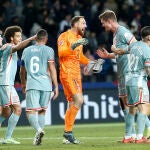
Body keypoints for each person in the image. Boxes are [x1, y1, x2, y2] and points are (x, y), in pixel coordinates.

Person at [96, 10, 150, 140]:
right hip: (122, 73)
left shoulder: (123, 32)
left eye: (104, 23)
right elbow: (123, 51)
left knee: (134, 105)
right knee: (126, 104)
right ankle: (130, 135)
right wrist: (109, 55)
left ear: (110, 21)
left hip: (129, 72)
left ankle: (141, 132)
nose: (103, 26)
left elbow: (137, 47)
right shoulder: (115, 35)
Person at [57, 16, 104, 144]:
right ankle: (68, 133)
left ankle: (67, 135)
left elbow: (80, 57)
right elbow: (61, 53)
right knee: (79, 100)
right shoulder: (64, 36)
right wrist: (74, 45)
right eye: (83, 23)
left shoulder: (79, 38)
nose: (86, 26)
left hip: (77, 74)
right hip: (67, 72)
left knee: (72, 103)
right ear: (75, 24)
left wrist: (92, 63)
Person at [20, 29, 59, 146]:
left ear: (35, 38)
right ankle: (38, 138)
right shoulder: (49, 50)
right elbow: (52, 68)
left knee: (30, 111)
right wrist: (56, 86)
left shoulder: (26, 51)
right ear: (46, 39)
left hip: (32, 84)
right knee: (42, 111)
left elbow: (22, 70)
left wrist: (23, 84)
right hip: (46, 85)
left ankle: (38, 130)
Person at [0, 25, 36, 144]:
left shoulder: (5, 47)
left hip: (5, 84)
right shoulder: (9, 46)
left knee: (6, 112)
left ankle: (7, 138)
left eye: (21, 36)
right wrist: (31, 39)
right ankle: (8, 137)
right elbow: (18, 46)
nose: (20, 38)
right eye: (18, 36)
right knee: (17, 109)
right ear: (11, 38)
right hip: (5, 84)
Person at [121, 26, 150, 143]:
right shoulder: (147, 49)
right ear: (148, 37)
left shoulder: (134, 45)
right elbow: (148, 69)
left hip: (128, 80)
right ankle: (139, 137)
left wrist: (111, 51)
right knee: (145, 108)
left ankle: (128, 137)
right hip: (138, 81)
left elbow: (122, 51)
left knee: (132, 110)